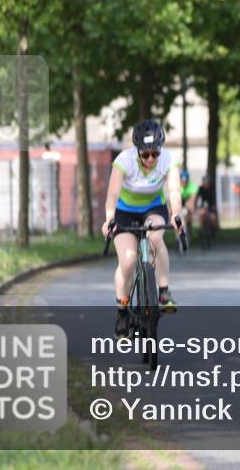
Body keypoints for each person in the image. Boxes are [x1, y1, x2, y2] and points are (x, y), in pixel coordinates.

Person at [102, 119, 186, 337]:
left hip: (153, 208)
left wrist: (176, 214)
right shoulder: (124, 160)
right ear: (137, 151)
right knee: (128, 259)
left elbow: (174, 192)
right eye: (145, 154)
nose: (150, 159)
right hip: (125, 211)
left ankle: (164, 292)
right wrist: (109, 219)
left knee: (156, 238)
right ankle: (122, 311)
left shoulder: (168, 159)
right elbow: (112, 195)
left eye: (154, 154)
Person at [179, 170, 199, 235]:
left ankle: (189, 226)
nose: (184, 182)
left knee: (190, 208)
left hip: (188, 200)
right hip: (180, 200)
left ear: (188, 180)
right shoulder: (177, 186)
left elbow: (192, 200)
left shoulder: (193, 186)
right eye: (182, 181)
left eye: (185, 181)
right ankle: (177, 237)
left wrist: (190, 209)